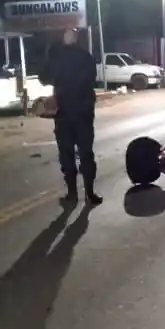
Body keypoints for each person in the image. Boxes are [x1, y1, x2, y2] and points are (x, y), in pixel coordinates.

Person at [40, 26, 103, 204]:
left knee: (67, 154)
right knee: (86, 153)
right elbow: (92, 78)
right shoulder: (85, 57)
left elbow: (43, 78)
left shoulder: (56, 57)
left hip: (64, 112)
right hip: (83, 111)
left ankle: (72, 194)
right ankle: (90, 193)